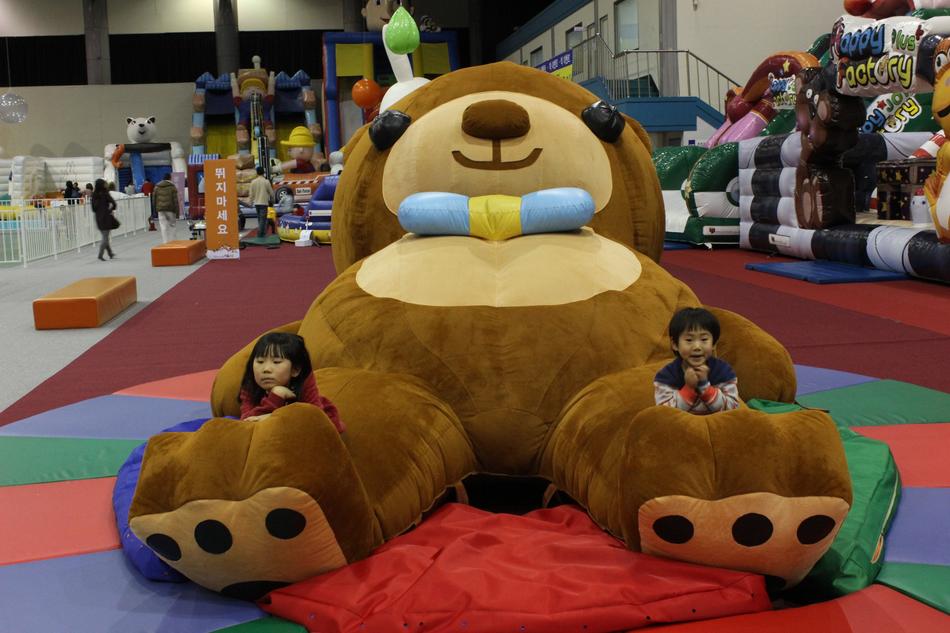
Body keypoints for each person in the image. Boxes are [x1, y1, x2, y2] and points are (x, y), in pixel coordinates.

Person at [238, 332, 344, 431]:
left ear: (295, 370)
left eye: (276, 362)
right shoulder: (250, 384)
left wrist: (273, 417)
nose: (266, 369)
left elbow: (314, 418)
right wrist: (277, 396)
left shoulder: (305, 381)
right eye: (260, 362)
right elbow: (247, 421)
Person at [654, 307, 740, 414]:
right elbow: (665, 413)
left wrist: (704, 386)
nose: (697, 347)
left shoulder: (723, 371)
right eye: (689, 340)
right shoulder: (666, 376)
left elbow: (732, 409)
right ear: (675, 344)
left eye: (704, 339)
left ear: (714, 344)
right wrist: (689, 388)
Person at [90, 178, 118, 261]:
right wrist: (110, 209)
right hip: (106, 217)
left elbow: (93, 209)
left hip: (98, 217)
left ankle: (110, 253)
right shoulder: (105, 193)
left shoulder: (94, 195)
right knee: (105, 237)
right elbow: (114, 204)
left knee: (104, 235)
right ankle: (100, 254)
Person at [152, 173, 180, 243]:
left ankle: (165, 242)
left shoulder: (157, 186)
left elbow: (154, 199)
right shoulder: (172, 187)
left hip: (160, 209)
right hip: (170, 209)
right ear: (170, 178)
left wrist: (155, 210)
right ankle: (174, 241)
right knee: (172, 225)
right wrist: (177, 213)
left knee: (163, 226)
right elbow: (175, 201)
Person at [248, 166, 273, 236]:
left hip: (256, 203)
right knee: (263, 219)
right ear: (263, 172)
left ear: (257, 173)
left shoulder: (253, 182)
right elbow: (271, 193)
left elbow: (251, 194)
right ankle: (260, 234)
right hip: (264, 203)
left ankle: (262, 233)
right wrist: (273, 200)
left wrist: (250, 202)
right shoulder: (266, 182)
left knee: (259, 218)